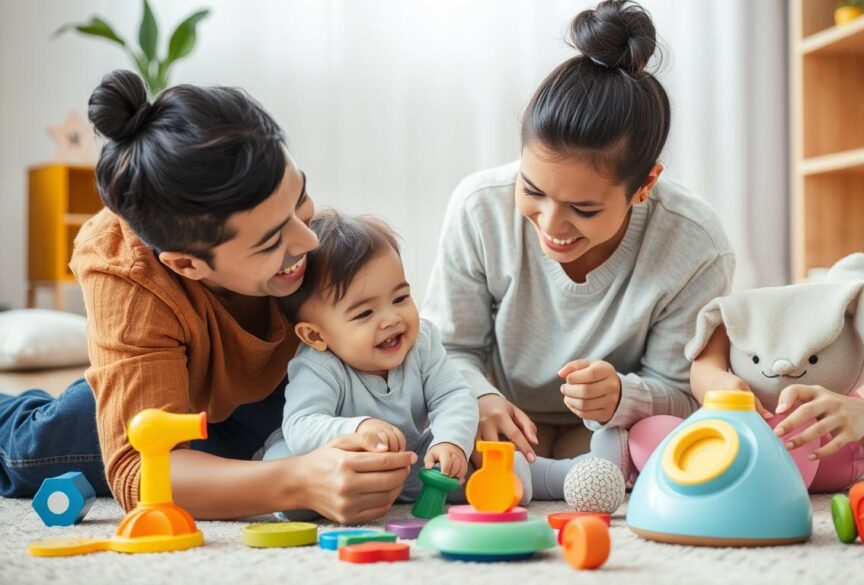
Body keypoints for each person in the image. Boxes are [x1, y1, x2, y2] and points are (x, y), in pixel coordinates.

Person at [0, 70, 414, 524]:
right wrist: (297, 480)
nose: (309, 240)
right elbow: (140, 471)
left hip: (273, 397)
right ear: (187, 265)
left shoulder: (284, 222)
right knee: (27, 450)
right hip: (175, 400)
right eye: (270, 242)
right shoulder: (127, 272)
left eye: (300, 197)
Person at [422, 0, 735, 499]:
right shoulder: (480, 207)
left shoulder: (694, 245)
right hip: (500, 415)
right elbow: (450, 348)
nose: (551, 225)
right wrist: (479, 397)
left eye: (583, 209)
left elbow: (685, 392)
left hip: (608, 429)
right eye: (532, 190)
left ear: (645, 185)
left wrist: (622, 396)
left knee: (664, 450)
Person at [261, 210, 482, 504]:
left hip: (409, 459)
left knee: (479, 459)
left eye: (400, 298)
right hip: (335, 468)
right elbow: (301, 425)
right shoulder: (318, 365)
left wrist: (450, 442)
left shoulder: (422, 342)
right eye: (365, 313)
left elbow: (453, 395)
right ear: (315, 335)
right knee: (283, 462)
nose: (392, 319)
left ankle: (541, 475)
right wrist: (358, 428)